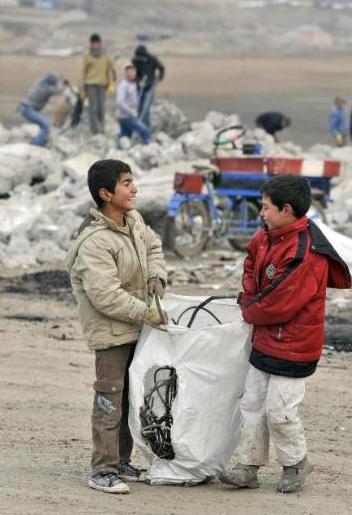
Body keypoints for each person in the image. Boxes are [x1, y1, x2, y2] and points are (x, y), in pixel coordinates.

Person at [220, 174, 351, 493]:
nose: (261, 213)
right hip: (265, 338)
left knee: (280, 411)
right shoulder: (268, 235)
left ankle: (295, 463)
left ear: (287, 209)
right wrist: (249, 293)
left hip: (294, 346)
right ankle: (249, 465)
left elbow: (280, 301)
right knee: (251, 403)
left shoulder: (306, 253)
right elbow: (251, 263)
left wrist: (248, 308)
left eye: (265, 207)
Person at [66, 159, 167, 494]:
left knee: (130, 398)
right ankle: (103, 470)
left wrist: (156, 274)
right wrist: (147, 313)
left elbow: (153, 246)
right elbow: (105, 296)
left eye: (132, 181)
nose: (134, 188)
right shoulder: (95, 241)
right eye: (126, 183)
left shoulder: (132, 221)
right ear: (105, 193)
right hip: (112, 334)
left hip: (136, 327)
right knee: (109, 399)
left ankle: (121, 461)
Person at [81, 34, 116, 134]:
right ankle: (95, 131)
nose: (94, 45)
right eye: (93, 43)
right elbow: (83, 73)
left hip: (102, 85)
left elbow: (109, 70)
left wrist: (110, 84)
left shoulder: (105, 55)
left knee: (101, 108)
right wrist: (82, 90)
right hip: (90, 85)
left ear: (100, 43)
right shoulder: (87, 56)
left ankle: (102, 129)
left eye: (96, 43)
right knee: (93, 109)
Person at [19, 73, 64, 146]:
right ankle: (37, 145)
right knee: (45, 126)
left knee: (41, 125)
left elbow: (51, 79)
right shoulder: (46, 88)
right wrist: (62, 83)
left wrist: (58, 77)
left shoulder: (40, 82)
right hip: (28, 109)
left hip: (25, 107)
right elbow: (59, 91)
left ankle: (36, 140)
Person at [116, 64, 152, 147]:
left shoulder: (134, 84)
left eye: (132, 71)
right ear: (126, 73)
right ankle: (149, 148)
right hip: (126, 116)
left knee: (125, 136)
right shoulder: (123, 85)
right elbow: (120, 101)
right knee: (145, 131)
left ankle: (118, 151)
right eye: (128, 72)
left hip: (129, 115)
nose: (131, 73)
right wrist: (131, 111)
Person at [132, 45, 165, 128]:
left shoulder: (152, 59)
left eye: (141, 57)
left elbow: (161, 67)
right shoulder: (134, 61)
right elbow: (132, 74)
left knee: (146, 107)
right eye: (138, 57)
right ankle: (145, 126)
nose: (140, 59)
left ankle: (141, 126)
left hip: (150, 87)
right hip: (139, 87)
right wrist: (138, 81)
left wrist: (159, 78)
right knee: (139, 107)